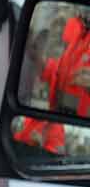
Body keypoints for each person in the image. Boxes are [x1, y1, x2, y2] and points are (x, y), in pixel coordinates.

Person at [16, 13, 90, 154]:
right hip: (56, 114)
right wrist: (39, 59)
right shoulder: (78, 30)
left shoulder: (56, 130)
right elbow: (60, 74)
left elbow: (53, 156)